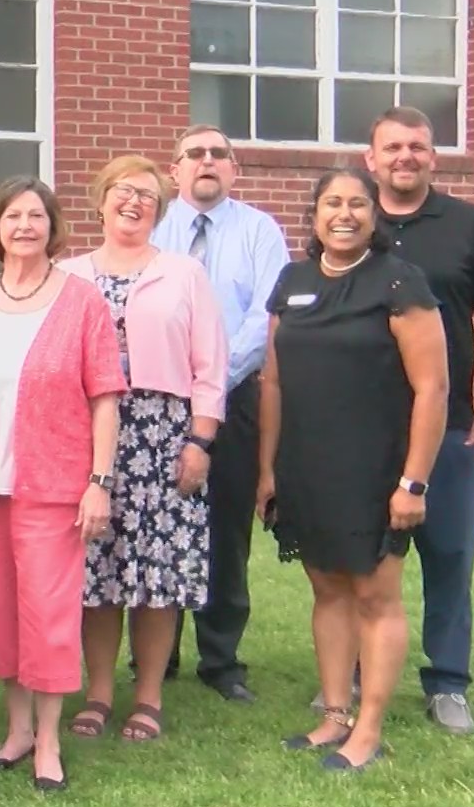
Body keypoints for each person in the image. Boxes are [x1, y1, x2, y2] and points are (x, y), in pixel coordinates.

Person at [0, 175, 125, 793]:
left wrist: (99, 481)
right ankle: (15, 731)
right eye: (13, 215)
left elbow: (106, 399)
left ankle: (48, 740)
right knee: (3, 613)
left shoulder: (82, 302)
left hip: (55, 486)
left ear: (52, 226)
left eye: (36, 216)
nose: (24, 226)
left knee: (50, 614)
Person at [259, 167, 449, 771]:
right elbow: (272, 380)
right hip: (307, 465)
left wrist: (413, 481)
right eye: (332, 202)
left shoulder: (399, 281)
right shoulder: (292, 281)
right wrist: (268, 470)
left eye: (358, 204)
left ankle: (367, 731)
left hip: (376, 468)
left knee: (374, 593)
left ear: (375, 215)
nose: (345, 213)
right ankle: (333, 718)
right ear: (314, 214)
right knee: (328, 589)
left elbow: (433, 388)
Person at [362, 105, 474, 736]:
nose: (406, 156)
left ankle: (448, 682)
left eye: (418, 146)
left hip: (450, 425)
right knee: (361, 555)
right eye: (393, 147)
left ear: (434, 156)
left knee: (450, 555)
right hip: (365, 430)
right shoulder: (350, 222)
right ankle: (354, 670)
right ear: (370, 158)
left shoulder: (469, 226)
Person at [61, 155, 227, 742]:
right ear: (101, 199)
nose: (133, 203)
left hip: (163, 435)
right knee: (97, 569)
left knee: (156, 574)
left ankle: (149, 695)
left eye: (148, 197)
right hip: (87, 437)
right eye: (123, 191)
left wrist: (200, 441)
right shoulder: (68, 273)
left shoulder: (184, 274)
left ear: (160, 211)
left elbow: (210, 365)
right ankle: (99, 692)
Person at [150, 125, 289, 703]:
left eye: (219, 154)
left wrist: (212, 380)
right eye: (195, 154)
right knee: (156, 523)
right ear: (174, 168)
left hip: (234, 398)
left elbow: (267, 313)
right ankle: (157, 655)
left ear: (234, 169)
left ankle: (221, 658)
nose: (207, 162)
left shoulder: (259, 230)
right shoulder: (153, 226)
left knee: (226, 530)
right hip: (156, 400)